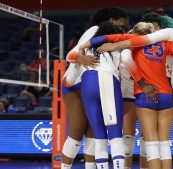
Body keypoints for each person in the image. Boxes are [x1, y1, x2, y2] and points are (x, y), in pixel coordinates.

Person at [85, 14, 173, 169]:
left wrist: (111, 45)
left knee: (164, 142)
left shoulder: (164, 35)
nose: (154, 32)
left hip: (159, 91)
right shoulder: (167, 45)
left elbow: (129, 48)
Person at [61, 8, 129, 169]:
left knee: (94, 132)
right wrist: (81, 58)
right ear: (112, 21)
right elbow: (74, 53)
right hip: (75, 83)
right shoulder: (95, 30)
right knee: (77, 132)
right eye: (123, 25)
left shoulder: (113, 39)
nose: (124, 29)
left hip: (91, 81)